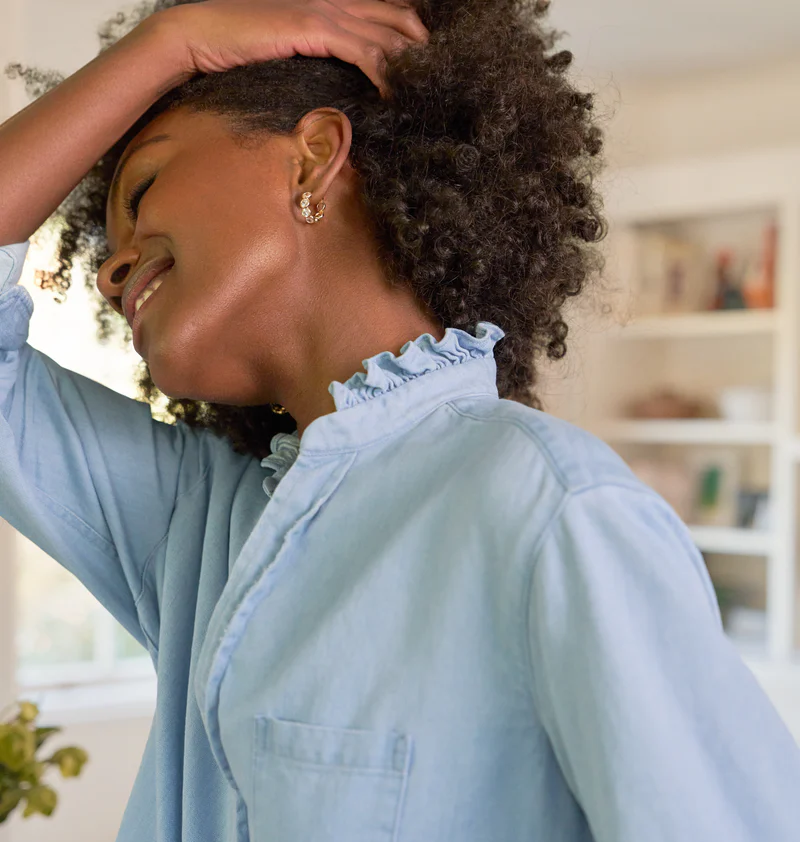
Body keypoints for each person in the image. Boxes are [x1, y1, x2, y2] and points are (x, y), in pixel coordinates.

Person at [1, 0, 798, 840]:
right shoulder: (194, 523)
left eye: (146, 186)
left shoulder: (546, 504)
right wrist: (166, 43)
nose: (111, 270)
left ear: (312, 160)